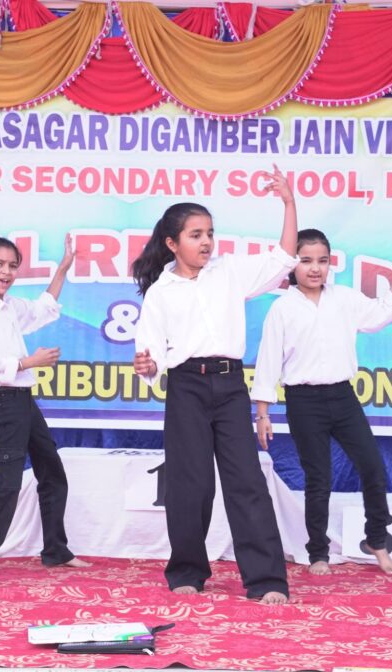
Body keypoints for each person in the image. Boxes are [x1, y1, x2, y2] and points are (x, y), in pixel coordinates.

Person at [132, 165, 297, 605]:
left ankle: (266, 579)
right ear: (173, 243)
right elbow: (151, 355)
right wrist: (147, 365)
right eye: (195, 235)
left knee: (247, 481)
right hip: (185, 387)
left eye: (209, 233)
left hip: (229, 386)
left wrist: (288, 202)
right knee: (191, 483)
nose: (206, 242)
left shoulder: (230, 272)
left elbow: (284, 258)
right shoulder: (160, 291)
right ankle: (187, 570)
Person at [252, 229, 392, 576]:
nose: (315, 268)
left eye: (323, 261)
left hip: (343, 397)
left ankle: (377, 539)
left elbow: (383, 313)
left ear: (330, 264)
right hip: (303, 402)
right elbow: (268, 361)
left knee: (373, 467)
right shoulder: (282, 308)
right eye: (306, 260)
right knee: (319, 478)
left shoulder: (344, 298)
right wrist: (263, 413)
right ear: (293, 264)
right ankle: (318, 553)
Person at [0, 234, 90, 578]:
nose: (6, 273)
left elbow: (43, 309)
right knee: (8, 484)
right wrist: (31, 361)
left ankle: (56, 550)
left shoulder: (9, 306)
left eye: (12, 266)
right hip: (1, 402)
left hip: (22, 400)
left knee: (52, 472)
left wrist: (63, 268)